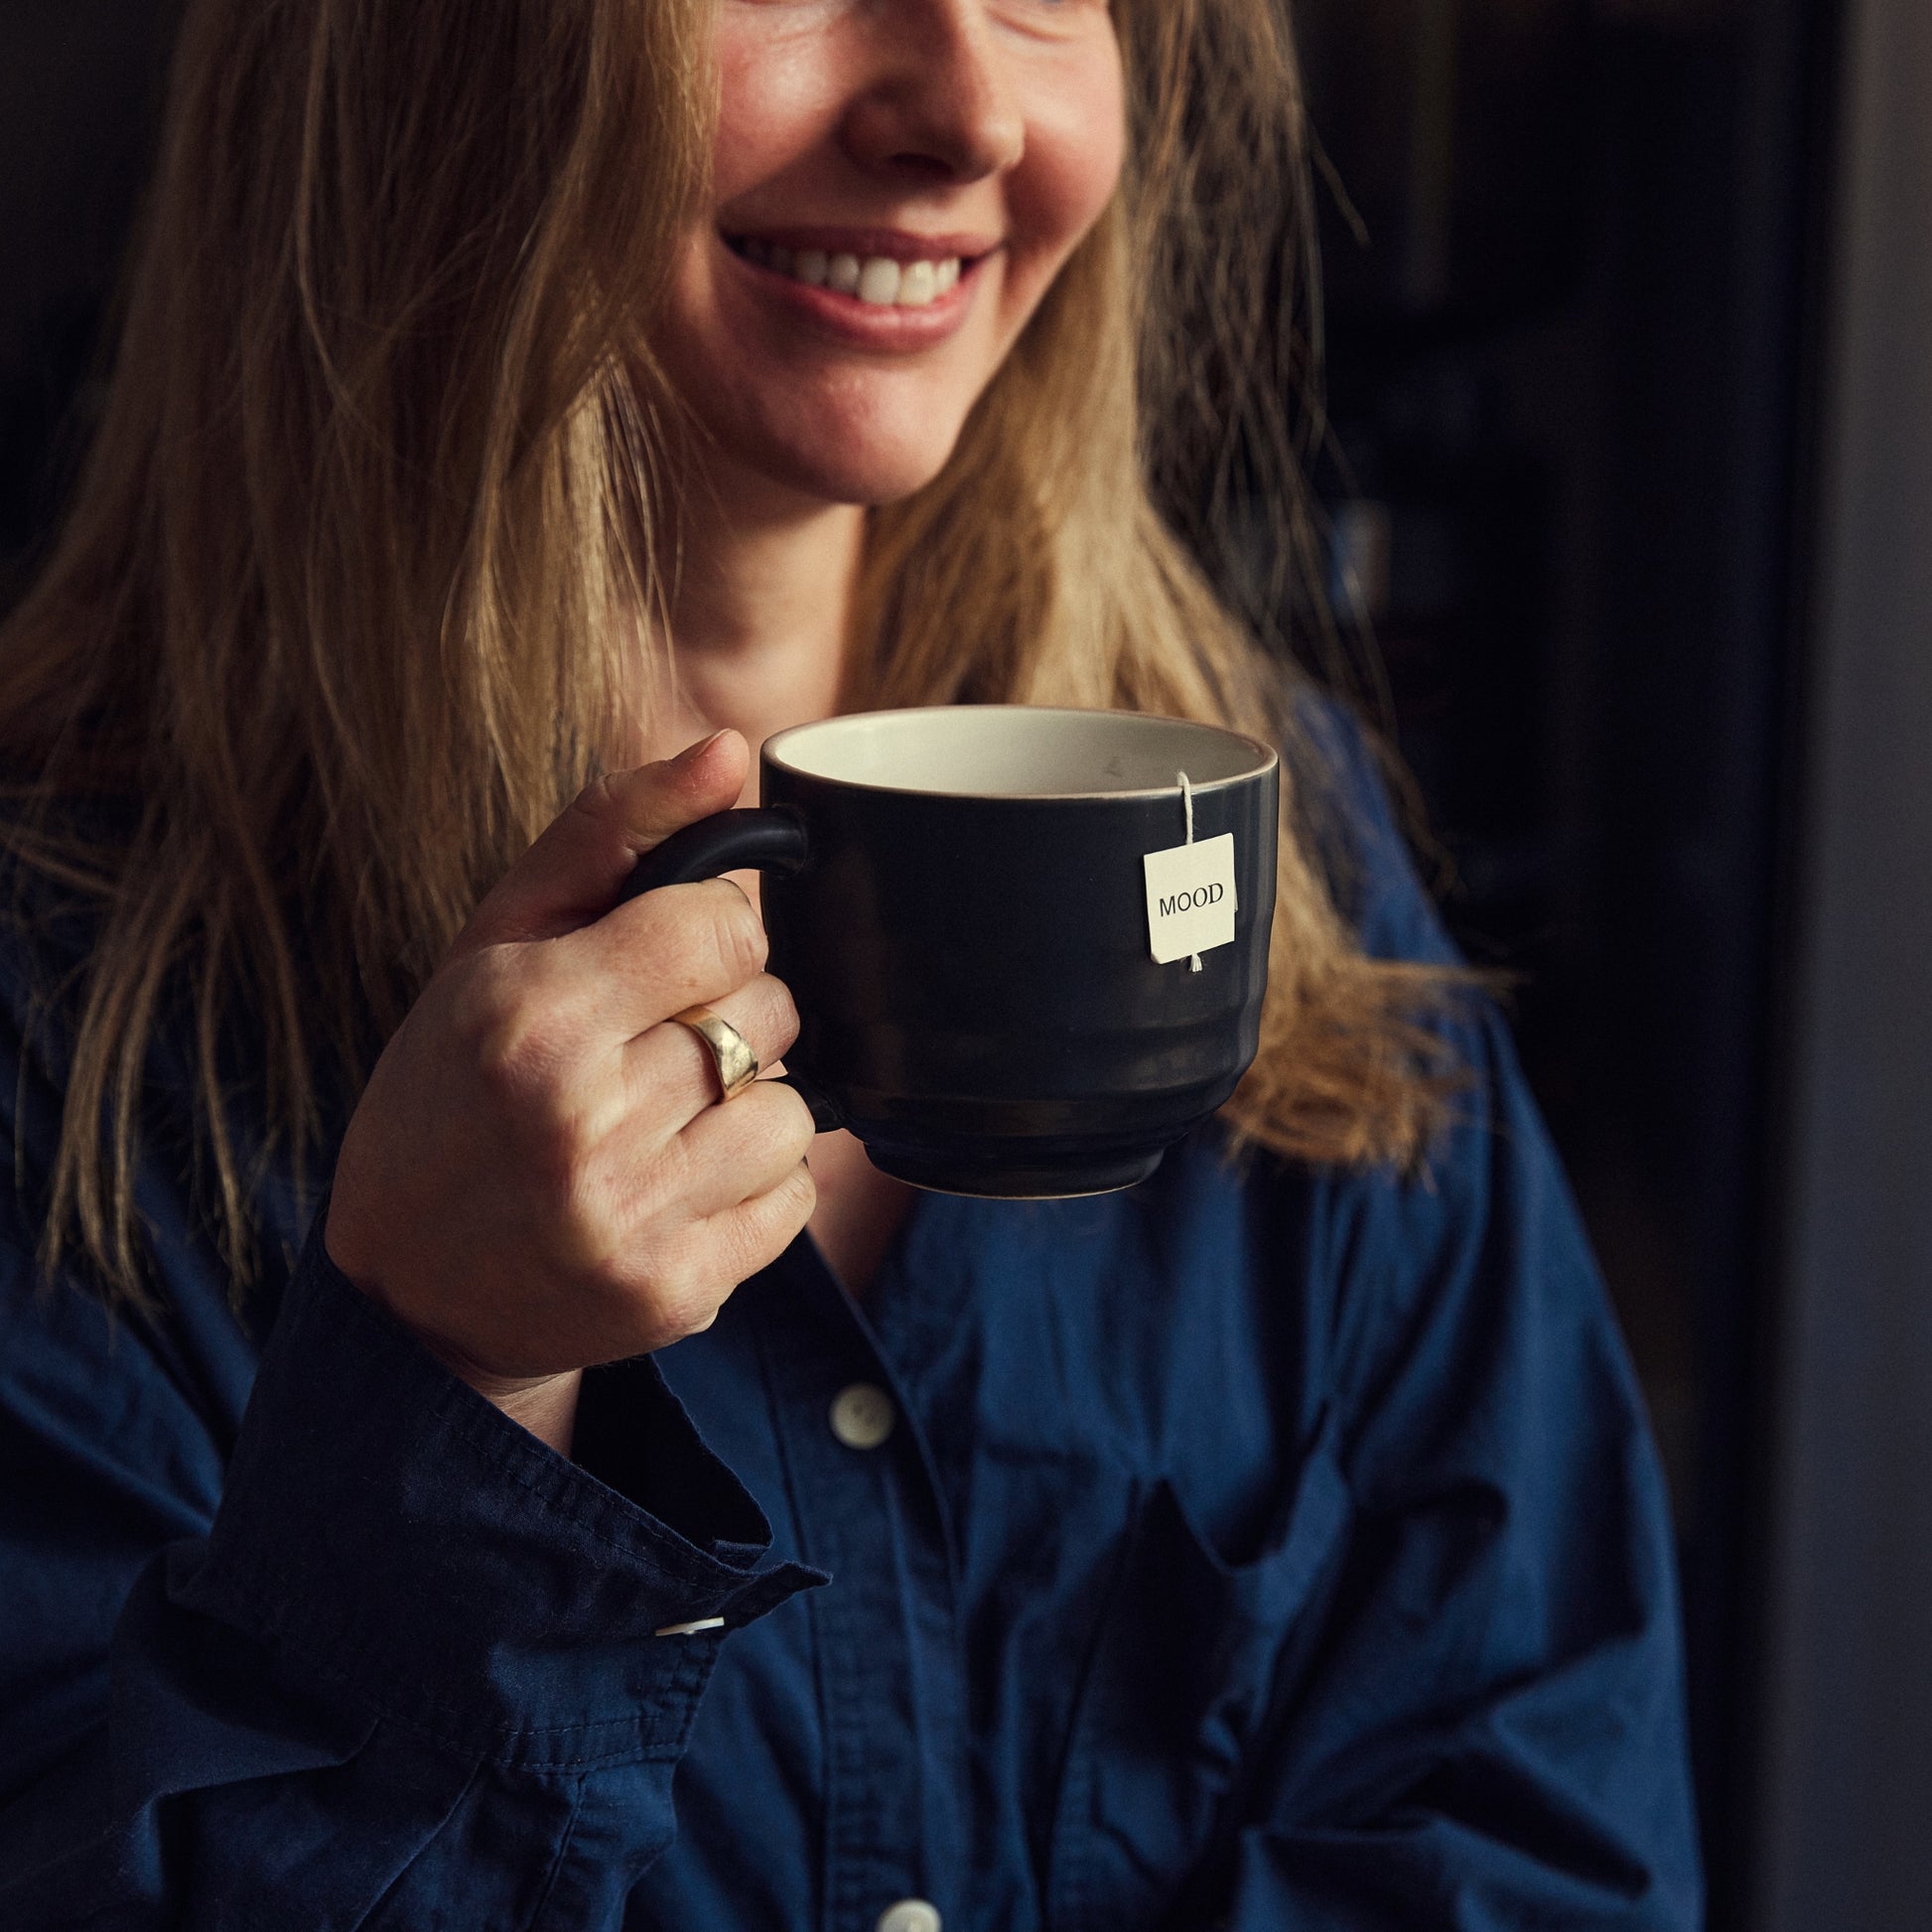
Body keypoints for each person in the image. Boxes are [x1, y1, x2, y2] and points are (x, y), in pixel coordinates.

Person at [0, 0, 1702, 1925]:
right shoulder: (58, 1023)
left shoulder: (1280, 857)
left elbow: (1548, 1835)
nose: (968, 107)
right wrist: (442, 1407)